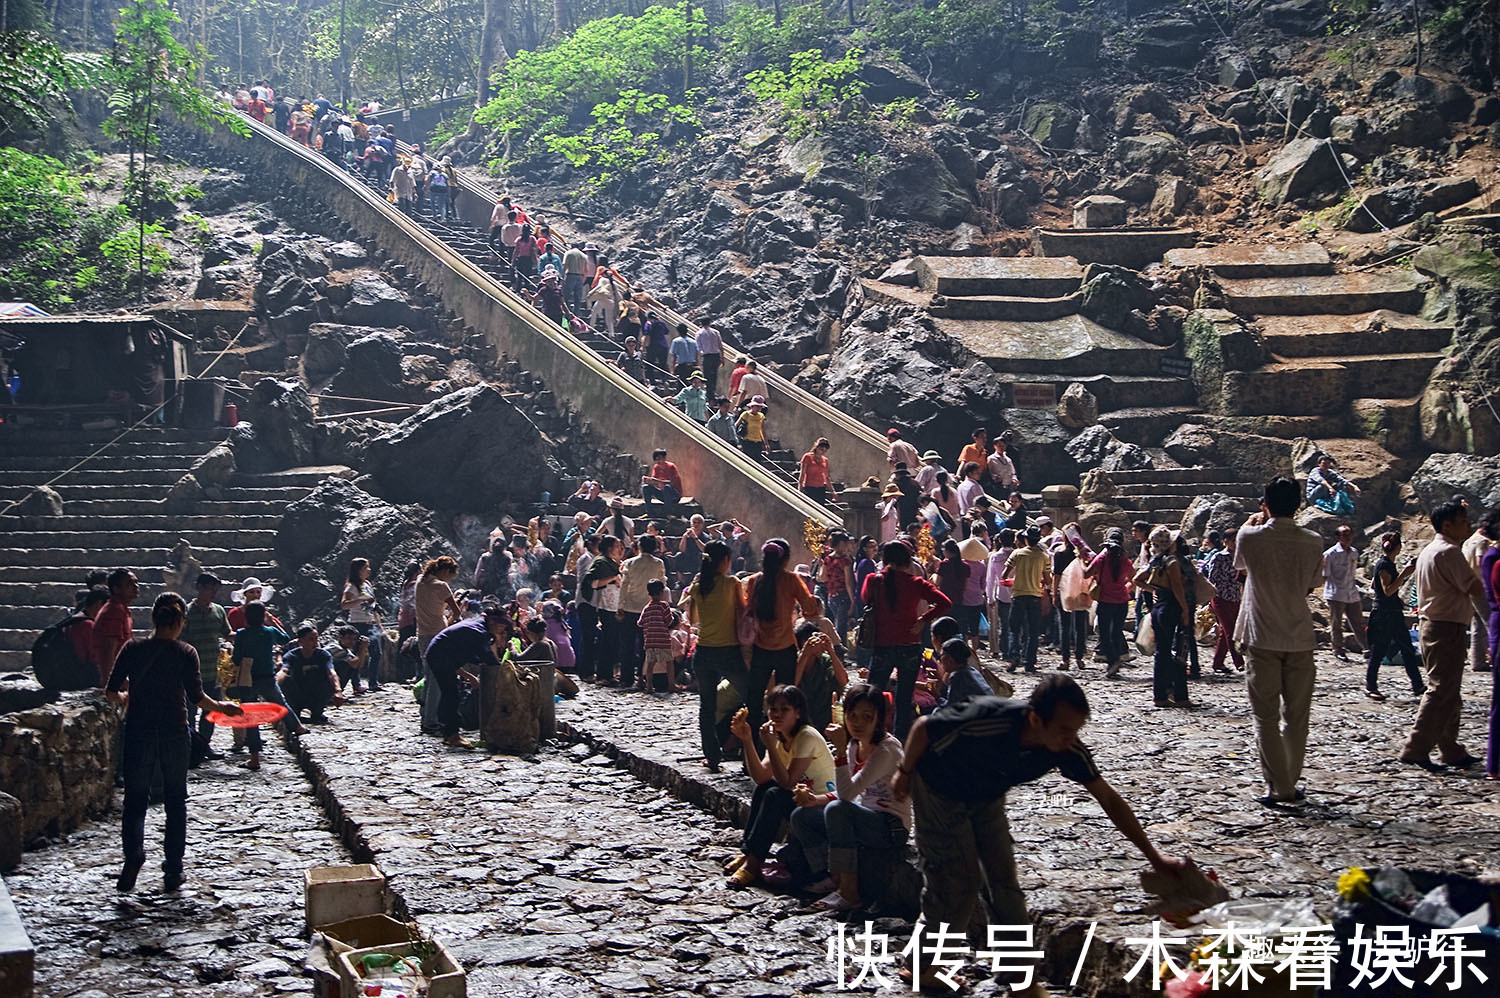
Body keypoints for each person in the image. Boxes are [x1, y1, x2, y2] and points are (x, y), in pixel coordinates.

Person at [892, 676, 1187, 995]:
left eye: (1076, 729)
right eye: (1063, 729)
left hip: (987, 794)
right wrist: (904, 772)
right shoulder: (991, 721)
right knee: (957, 882)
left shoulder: (1066, 747)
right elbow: (923, 726)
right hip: (940, 788)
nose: (1070, 738)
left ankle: (1022, 979)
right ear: (1035, 719)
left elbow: (1109, 799)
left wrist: (1154, 858)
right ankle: (923, 965)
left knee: (1004, 883)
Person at [106, 593, 244, 892]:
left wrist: (125, 699)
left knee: (135, 801)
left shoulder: (133, 648)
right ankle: (173, 870)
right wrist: (224, 708)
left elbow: (111, 690)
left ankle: (133, 858)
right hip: (173, 732)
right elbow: (198, 698)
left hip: (139, 730)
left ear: (154, 617)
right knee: (175, 801)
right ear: (180, 621)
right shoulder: (185, 652)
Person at [1234, 477, 1325, 804]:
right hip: (1299, 636)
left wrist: (1256, 519)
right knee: (1297, 717)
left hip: (1261, 636)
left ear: (1265, 503)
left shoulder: (1249, 536)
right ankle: (1289, 779)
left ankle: (1280, 786)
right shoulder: (1313, 541)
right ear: (1299, 505)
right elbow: (1312, 585)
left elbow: (1241, 566)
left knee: (1266, 717)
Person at [789, 684, 909, 912]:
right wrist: (815, 799)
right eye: (852, 715)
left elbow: (846, 795)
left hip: (890, 825)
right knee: (802, 816)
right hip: (860, 812)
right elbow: (849, 790)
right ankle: (831, 878)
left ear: (879, 719)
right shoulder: (855, 745)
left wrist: (841, 752)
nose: (858, 722)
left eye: (867, 716)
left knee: (837, 809)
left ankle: (850, 892)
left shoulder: (886, 750)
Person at [1399, 499, 1487, 770]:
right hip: (1445, 627)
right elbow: (1472, 586)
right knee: (1440, 690)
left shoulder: (1432, 550)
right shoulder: (1448, 552)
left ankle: (1450, 748)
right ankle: (1415, 747)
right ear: (1447, 525)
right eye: (1463, 521)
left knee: (1450, 691)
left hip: (1437, 625)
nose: (1468, 526)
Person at [725, 685, 836, 888]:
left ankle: (754, 863)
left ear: (797, 712)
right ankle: (750, 853)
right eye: (773, 709)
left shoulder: (806, 736)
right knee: (764, 789)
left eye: (784, 710)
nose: (777, 715)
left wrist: (769, 746)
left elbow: (787, 782)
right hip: (799, 801)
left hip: (819, 805)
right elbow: (760, 777)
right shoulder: (779, 736)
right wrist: (747, 740)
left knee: (775, 794)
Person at [863, 540, 952, 739]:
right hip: (909, 645)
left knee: (872, 693)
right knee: (904, 698)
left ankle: (871, 734)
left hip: (882, 644)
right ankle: (900, 740)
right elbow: (945, 603)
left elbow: (865, 598)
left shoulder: (873, 580)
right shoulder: (916, 583)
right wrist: (924, 619)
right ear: (907, 560)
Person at [744, 540, 821, 751]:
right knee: (786, 699)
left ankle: (751, 749)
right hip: (785, 647)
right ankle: (785, 746)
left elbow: (748, 608)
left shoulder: (754, 581)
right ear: (785, 559)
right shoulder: (791, 580)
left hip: (760, 647)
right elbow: (811, 610)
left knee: (754, 698)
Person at [684, 541, 747, 772]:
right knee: (752, 697)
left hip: (703, 652)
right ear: (724, 562)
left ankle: (712, 757)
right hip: (728, 650)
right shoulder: (732, 583)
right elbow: (743, 610)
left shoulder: (697, 587)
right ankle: (753, 751)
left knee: (706, 707)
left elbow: (693, 620)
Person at [229, 600, 306, 772]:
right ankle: (298, 727)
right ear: (263, 616)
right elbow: (286, 639)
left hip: (248, 680)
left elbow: (236, 658)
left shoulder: (241, 634)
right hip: (267, 677)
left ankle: (255, 757)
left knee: (250, 717)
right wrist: (273, 622)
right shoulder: (270, 632)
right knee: (281, 704)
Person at [424, 607, 511, 749]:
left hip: (443, 654)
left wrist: (469, 676)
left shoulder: (480, 627)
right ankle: (452, 734)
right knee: (451, 694)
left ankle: (448, 731)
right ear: (492, 622)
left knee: (449, 693)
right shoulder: (480, 632)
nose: (502, 629)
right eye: (500, 625)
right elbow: (489, 660)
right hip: (439, 655)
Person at [1365, 531, 1426, 702]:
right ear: (1398, 548)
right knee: (1378, 652)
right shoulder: (1384, 566)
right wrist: (1405, 573)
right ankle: (1370, 687)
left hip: (1392, 613)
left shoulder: (1385, 564)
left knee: (1407, 649)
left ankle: (1417, 685)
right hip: (1384, 616)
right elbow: (1388, 590)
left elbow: (1373, 585)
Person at [1137, 529, 1194, 708]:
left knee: (1161, 652)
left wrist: (1154, 591)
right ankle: (1180, 695)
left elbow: (1137, 579)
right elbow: (1177, 587)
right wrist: (1185, 610)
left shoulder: (1156, 560)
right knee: (1179, 651)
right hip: (1173, 608)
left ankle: (1160, 694)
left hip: (1159, 607)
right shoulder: (1172, 562)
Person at [182, 573, 232, 763]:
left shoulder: (219, 611)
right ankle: (189, 748)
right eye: (210, 589)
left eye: (215, 590)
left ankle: (204, 746)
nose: (213, 593)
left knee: (210, 713)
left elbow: (227, 634)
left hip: (213, 673)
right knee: (190, 712)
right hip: (190, 673)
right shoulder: (186, 612)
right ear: (199, 588)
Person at [619, 535, 668, 689]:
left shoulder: (630, 563)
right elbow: (663, 584)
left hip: (630, 607)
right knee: (646, 645)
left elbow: (624, 586)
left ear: (639, 546)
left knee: (627, 644)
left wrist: (620, 606)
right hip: (650, 608)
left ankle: (626, 677)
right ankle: (643, 676)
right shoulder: (658, 563)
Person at [1085, 529, 1134, 678]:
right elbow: (1133, 577)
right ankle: (1116, 659)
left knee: (1105, 635)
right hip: (1122, 602)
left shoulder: (1101, 560)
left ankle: (1113, 661)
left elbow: (1087, 573)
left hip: (1105, 601)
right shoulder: (1126, 561)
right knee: (1116, 632)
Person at [1002, 526, 1050, 674]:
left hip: (1018, 595)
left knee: (1014, 629)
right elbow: (1048, 579)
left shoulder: (1017, 554)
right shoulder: (1043, 557)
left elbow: (1004, 575)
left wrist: (1015, 579)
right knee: (1033, 631)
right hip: (1035, 596)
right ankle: (1030, 662)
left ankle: (1014, 658)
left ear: (1026, 539)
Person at [278, 625, 343, 725]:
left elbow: (331, 672)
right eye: (311, 639)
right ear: (301, 641)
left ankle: (317, 711)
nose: (315, 642)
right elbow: (284, 671)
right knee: (286, 680)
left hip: (316, 691)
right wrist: (275, 686)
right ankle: (295, 711)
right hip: (298, 692)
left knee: (332, 680)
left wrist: (338, 691)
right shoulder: (291, 655)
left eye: (316, 639)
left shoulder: (323, 655)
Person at [1202, 528, 1246, 673]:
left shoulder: (1241, 556)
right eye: (1233, 540)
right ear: (1225, 541)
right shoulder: (1219, 557)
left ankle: (1218, 662)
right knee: (1230, 630)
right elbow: (1212, 579)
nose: (1236, 543)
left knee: (1224, 631)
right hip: (1220, 598)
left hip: (1235, 597)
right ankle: (1239, 662)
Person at [584, 535, 624, 685]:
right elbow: (592, 583)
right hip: (606, 606)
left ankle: (608, 674)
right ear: (609, 548)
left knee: (612, 641)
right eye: (617, 546)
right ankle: (602, 675)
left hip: (614, 606)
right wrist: (613, 578)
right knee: (607, 641)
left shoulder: (612, 563)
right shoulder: (601, 563)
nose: (619, 549)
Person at [1322, 525, 1367, 662]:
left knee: (1358, 622)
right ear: (1338, 537)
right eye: (1344, 535)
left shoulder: (1354, 553)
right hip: (1336, 593)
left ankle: (1367, 648)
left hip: (1351, 592)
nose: (1348, 538)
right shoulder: (1330, 554)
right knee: (1336, 623)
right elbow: (1325, 574)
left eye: (1349, 535)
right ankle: (1338, 649)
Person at [341, 557, 383, 692]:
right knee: (357, 654)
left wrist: (378, 622)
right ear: (358, 570)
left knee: (376, 653)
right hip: (357, 623)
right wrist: (360, 599)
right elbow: (344, 605)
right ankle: (356, 684)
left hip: (370, 623)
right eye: (366, 568)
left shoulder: (368, 585)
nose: (369, 570)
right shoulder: (351, 586)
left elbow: (373, 605)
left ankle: (373, 682)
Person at [93, 568, 139, 686]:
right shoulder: (115, 611)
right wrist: (111, 683)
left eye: (136, 582)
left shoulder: (121, 609)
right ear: (116, 589)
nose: (136, 586)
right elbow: (109, 649)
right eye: (130, 584)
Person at [637, 579, 680, 692]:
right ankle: (671, 685)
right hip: (663, 640)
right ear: (662, 592)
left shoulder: (646, 608)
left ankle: (650, 686)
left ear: (648, 593)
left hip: (650, 641)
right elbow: (669, 620)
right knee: (669, 663)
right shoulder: (664, 605)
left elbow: (640, 623)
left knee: (650, 664)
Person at [986, 528, 1016, 662]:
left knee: (1004, 624)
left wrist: (990, 596)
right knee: (1016, 625)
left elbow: (991, 579)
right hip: (1017, 593)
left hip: (1002, 593)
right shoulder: (1017, 555)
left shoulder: (995, 557)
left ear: (999, 540)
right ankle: (1014, 649)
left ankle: (1005, 650)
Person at [799, 437, 834, 505]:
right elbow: (802, 473)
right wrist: (800, 488)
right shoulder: (807, 457)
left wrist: (832, 491)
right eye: (821, 448)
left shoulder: (825, 460)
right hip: (809, 487)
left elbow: (826, 477)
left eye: (825, 449)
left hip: (820, 489)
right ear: (816, 447)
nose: (823, 450)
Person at [736, 396, 768, 461]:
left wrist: (766, 443)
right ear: (752, 406)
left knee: (757, 460)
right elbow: (736, 425)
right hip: (747, 441)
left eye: (760, 406)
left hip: (757, 442)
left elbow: (762, 430)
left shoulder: (761, 416)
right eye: (757, 406)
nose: (758, 408)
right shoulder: (745, 414)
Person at [696, 319, 723, 393]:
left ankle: (709, 393)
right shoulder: (716, 332)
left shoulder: (699, 333)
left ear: (701, 323)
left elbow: (699, 347)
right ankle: (713, 391)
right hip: (716, 356)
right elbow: (720, 346)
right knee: (714, 375)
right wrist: (722, 359)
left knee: (707, 376)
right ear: (709, 323)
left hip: (707, 356)